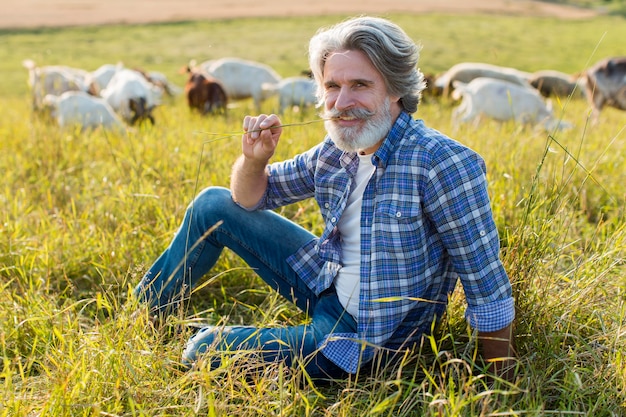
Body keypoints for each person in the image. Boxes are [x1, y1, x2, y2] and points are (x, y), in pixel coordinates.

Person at [133, 16, 516, 382]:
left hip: (366, 338)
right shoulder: (336, 152)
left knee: (202, 351)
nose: (342, 102)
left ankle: (218, 338)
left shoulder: (443, 163)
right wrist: (254, 161)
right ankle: (143, 313)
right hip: (326, 284)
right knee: (212, 204)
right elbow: (249, 197)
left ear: (397, 88)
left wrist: (503, 385)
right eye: (333, 86)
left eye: (361, 85)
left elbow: (488, 287)